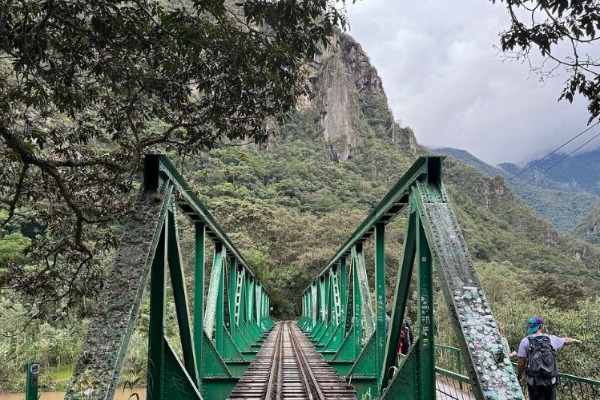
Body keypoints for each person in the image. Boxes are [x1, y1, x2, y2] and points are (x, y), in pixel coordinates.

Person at [517, 316, 582, 400]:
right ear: (541, 326)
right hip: (550, 381)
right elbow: (565, 340)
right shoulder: (550, 338)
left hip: (534, 382)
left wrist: (519, 376)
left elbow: (521, 362)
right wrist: (575, 340)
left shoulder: (525, 341)